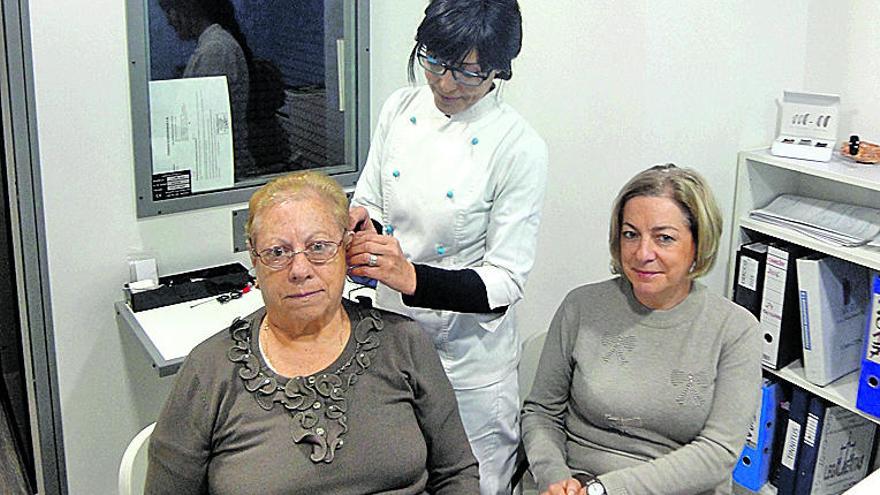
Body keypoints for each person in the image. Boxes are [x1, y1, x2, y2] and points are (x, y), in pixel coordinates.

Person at [145, 171, 479, 494]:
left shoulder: (403, 343)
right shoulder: (210, 370)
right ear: (254, 260)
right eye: (278, 252)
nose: (300, 270)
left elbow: (456, 473)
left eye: (318, 247)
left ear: (347, 250)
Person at [347, 1, 547, 493]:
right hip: (391, 340)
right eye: (434, 61)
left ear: (500, 70)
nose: (445, 83)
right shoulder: (399, 108)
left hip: (466, 360)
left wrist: (409, 276)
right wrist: (360, 224)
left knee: (471, 482)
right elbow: (372, 197)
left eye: (468, 73)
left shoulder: (518, 147)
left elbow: (505, 279)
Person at [521, 164, 762, 495]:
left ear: (698, 243)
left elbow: (719, 453)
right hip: (574, 483)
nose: (642, 253)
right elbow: (541, 411)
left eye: (664, 238)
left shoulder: (736, 330)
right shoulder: (581, 306)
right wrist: (554, 477)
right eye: (630, 234)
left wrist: (605, 490)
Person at [158, 0, 255, 176]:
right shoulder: (213, 46)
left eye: (169, 12)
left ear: (188, 10)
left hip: (219, 169)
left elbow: (202, 127)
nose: (169, 21)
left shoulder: (216, 50)